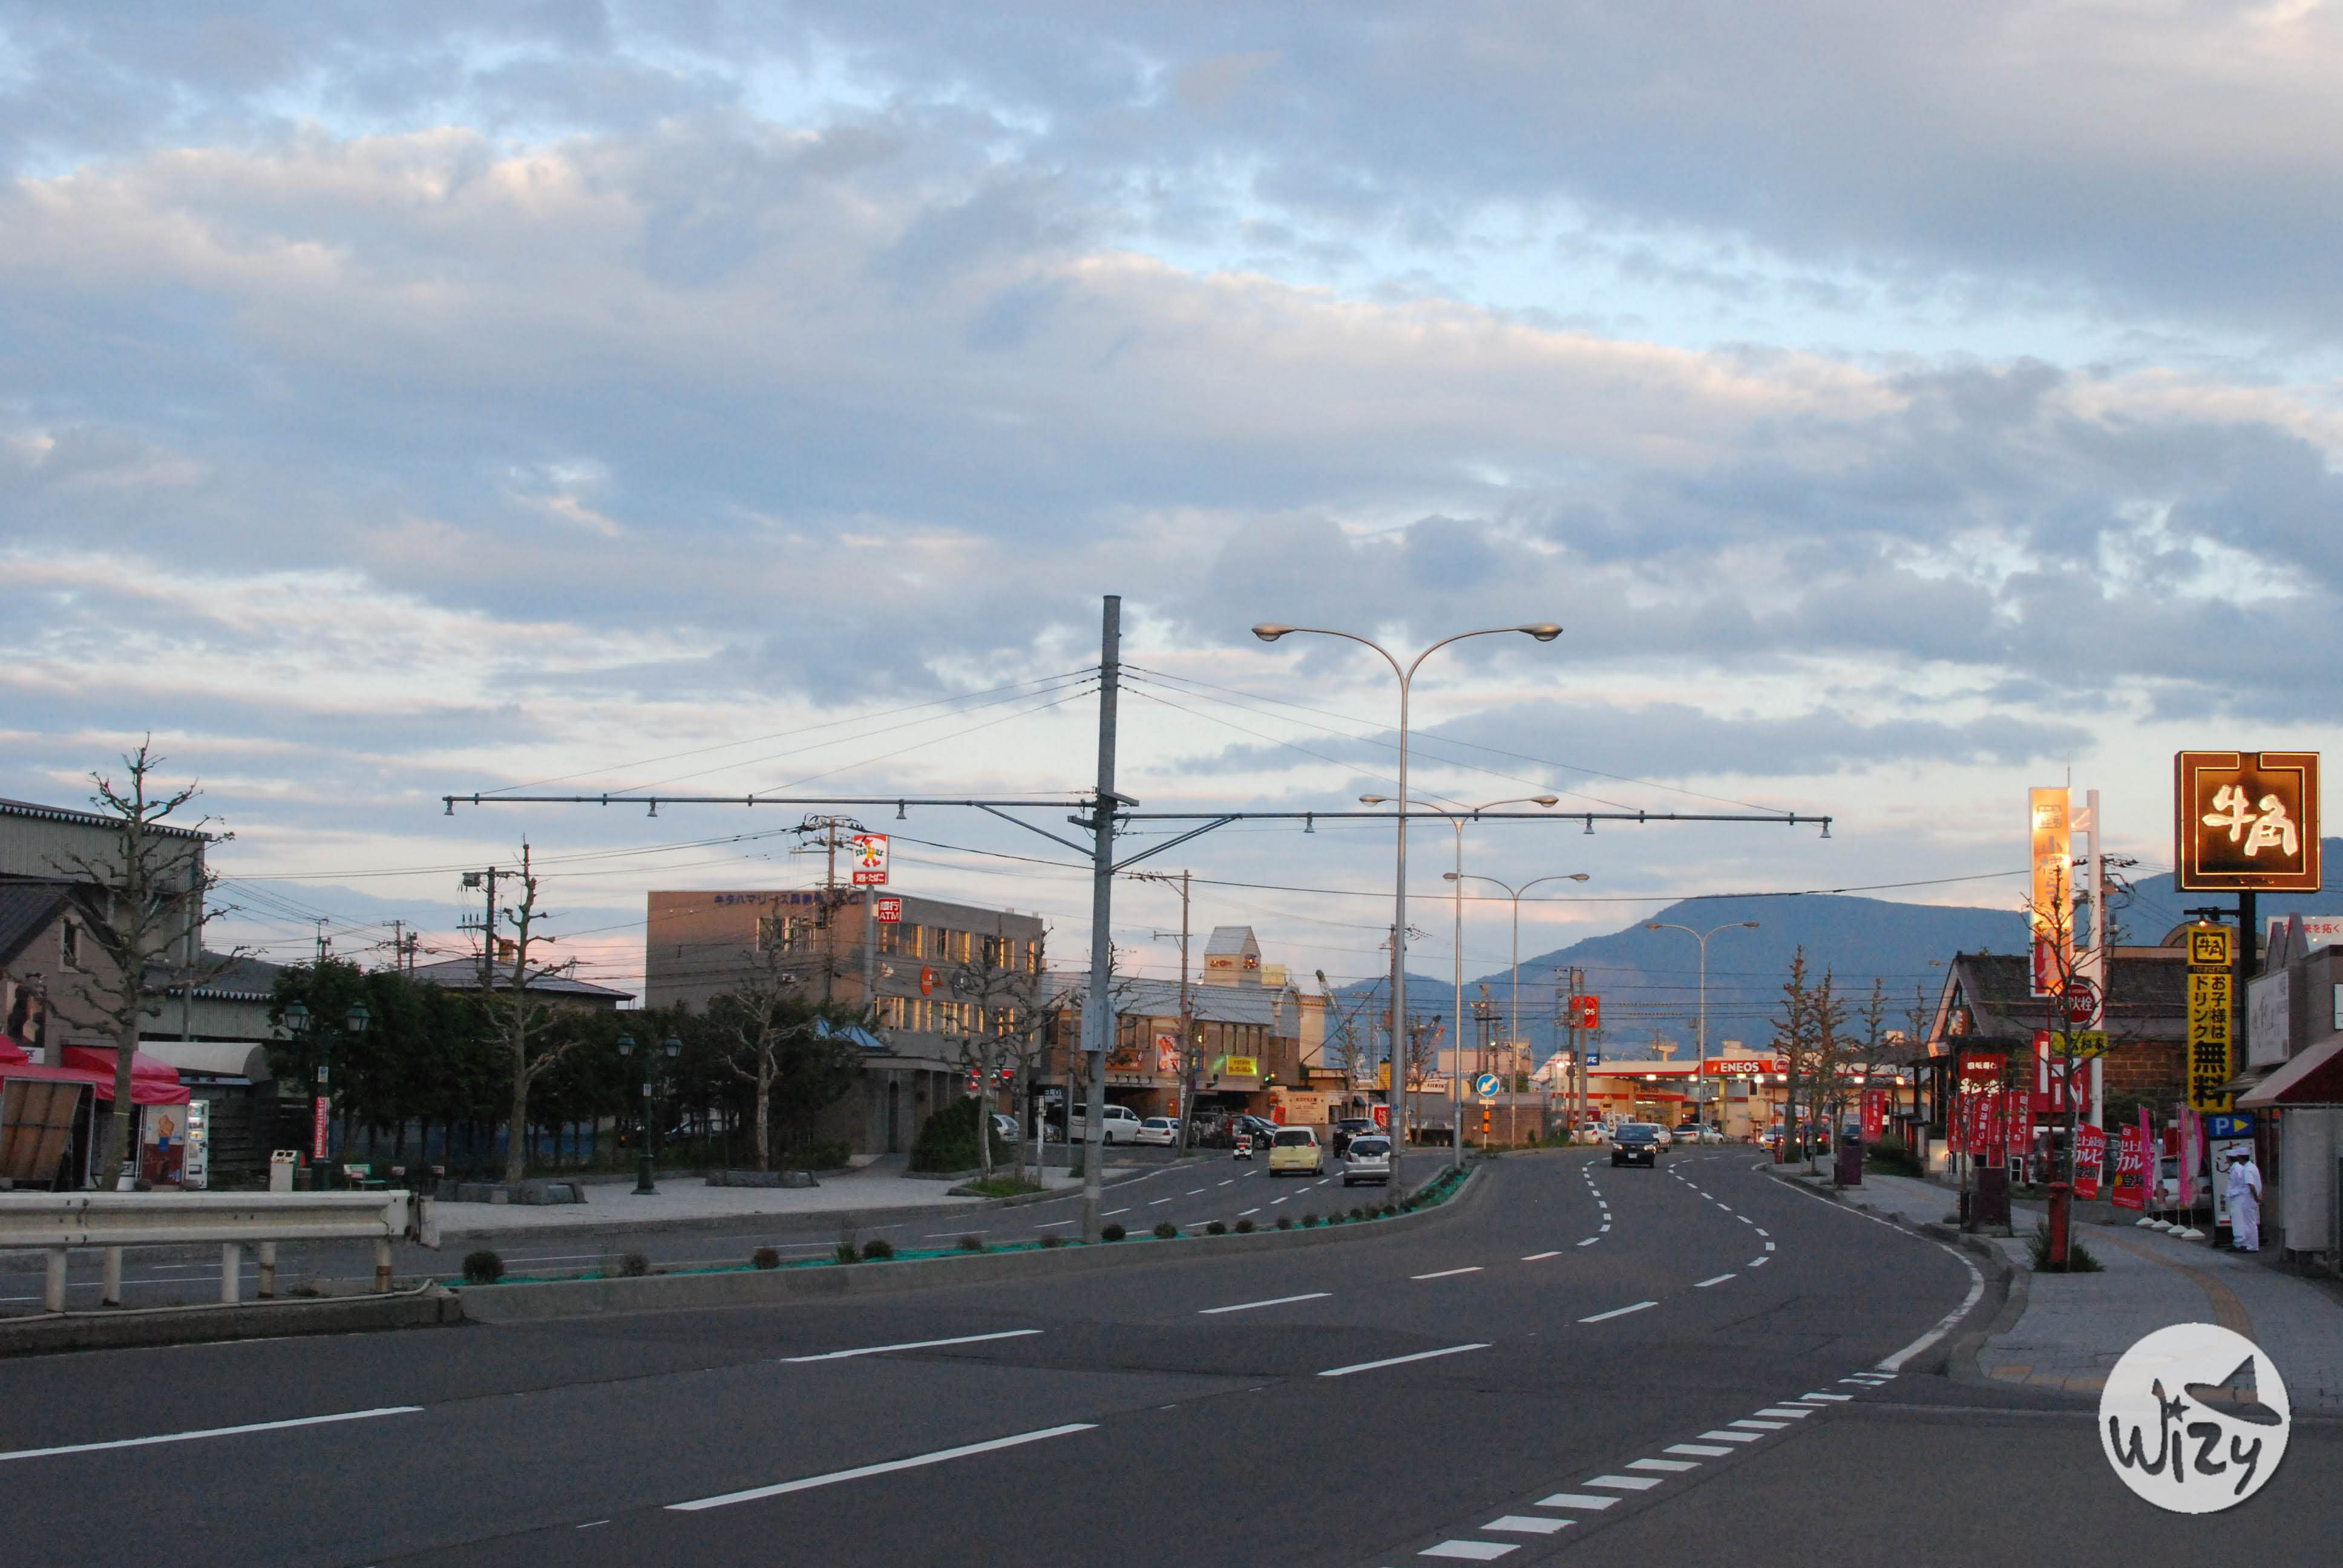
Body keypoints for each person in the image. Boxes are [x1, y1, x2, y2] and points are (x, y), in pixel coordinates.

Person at [2226, 1148, 2264, 1252]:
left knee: (2249, 1224)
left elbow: (2251, 1185)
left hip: (2248, 1199)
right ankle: (2248, 1245)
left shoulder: (2247, 1169)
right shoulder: (2252, 1167)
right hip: (2249, 1199)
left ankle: (2252, 1246)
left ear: (2240, 1158)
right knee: (2249, 1223)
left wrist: (2256, 1197)